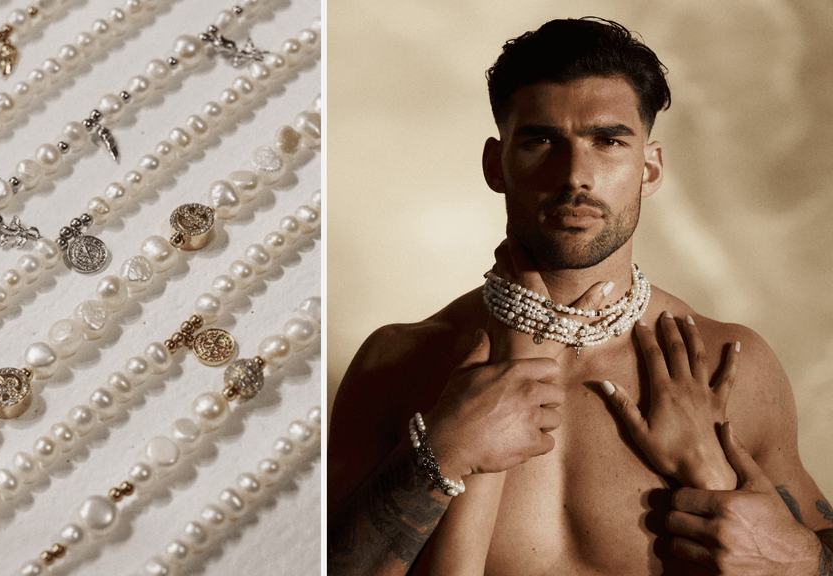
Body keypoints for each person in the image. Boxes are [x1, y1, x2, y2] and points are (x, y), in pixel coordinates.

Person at [327, 17, 833, 575]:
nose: (575, 175)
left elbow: (811, 541)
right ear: (496, 165)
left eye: (609, 141)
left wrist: (804, 558)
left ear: (650, 167)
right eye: (541, 140)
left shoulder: (727, 365)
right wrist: (442, 447)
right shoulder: (399, 363)